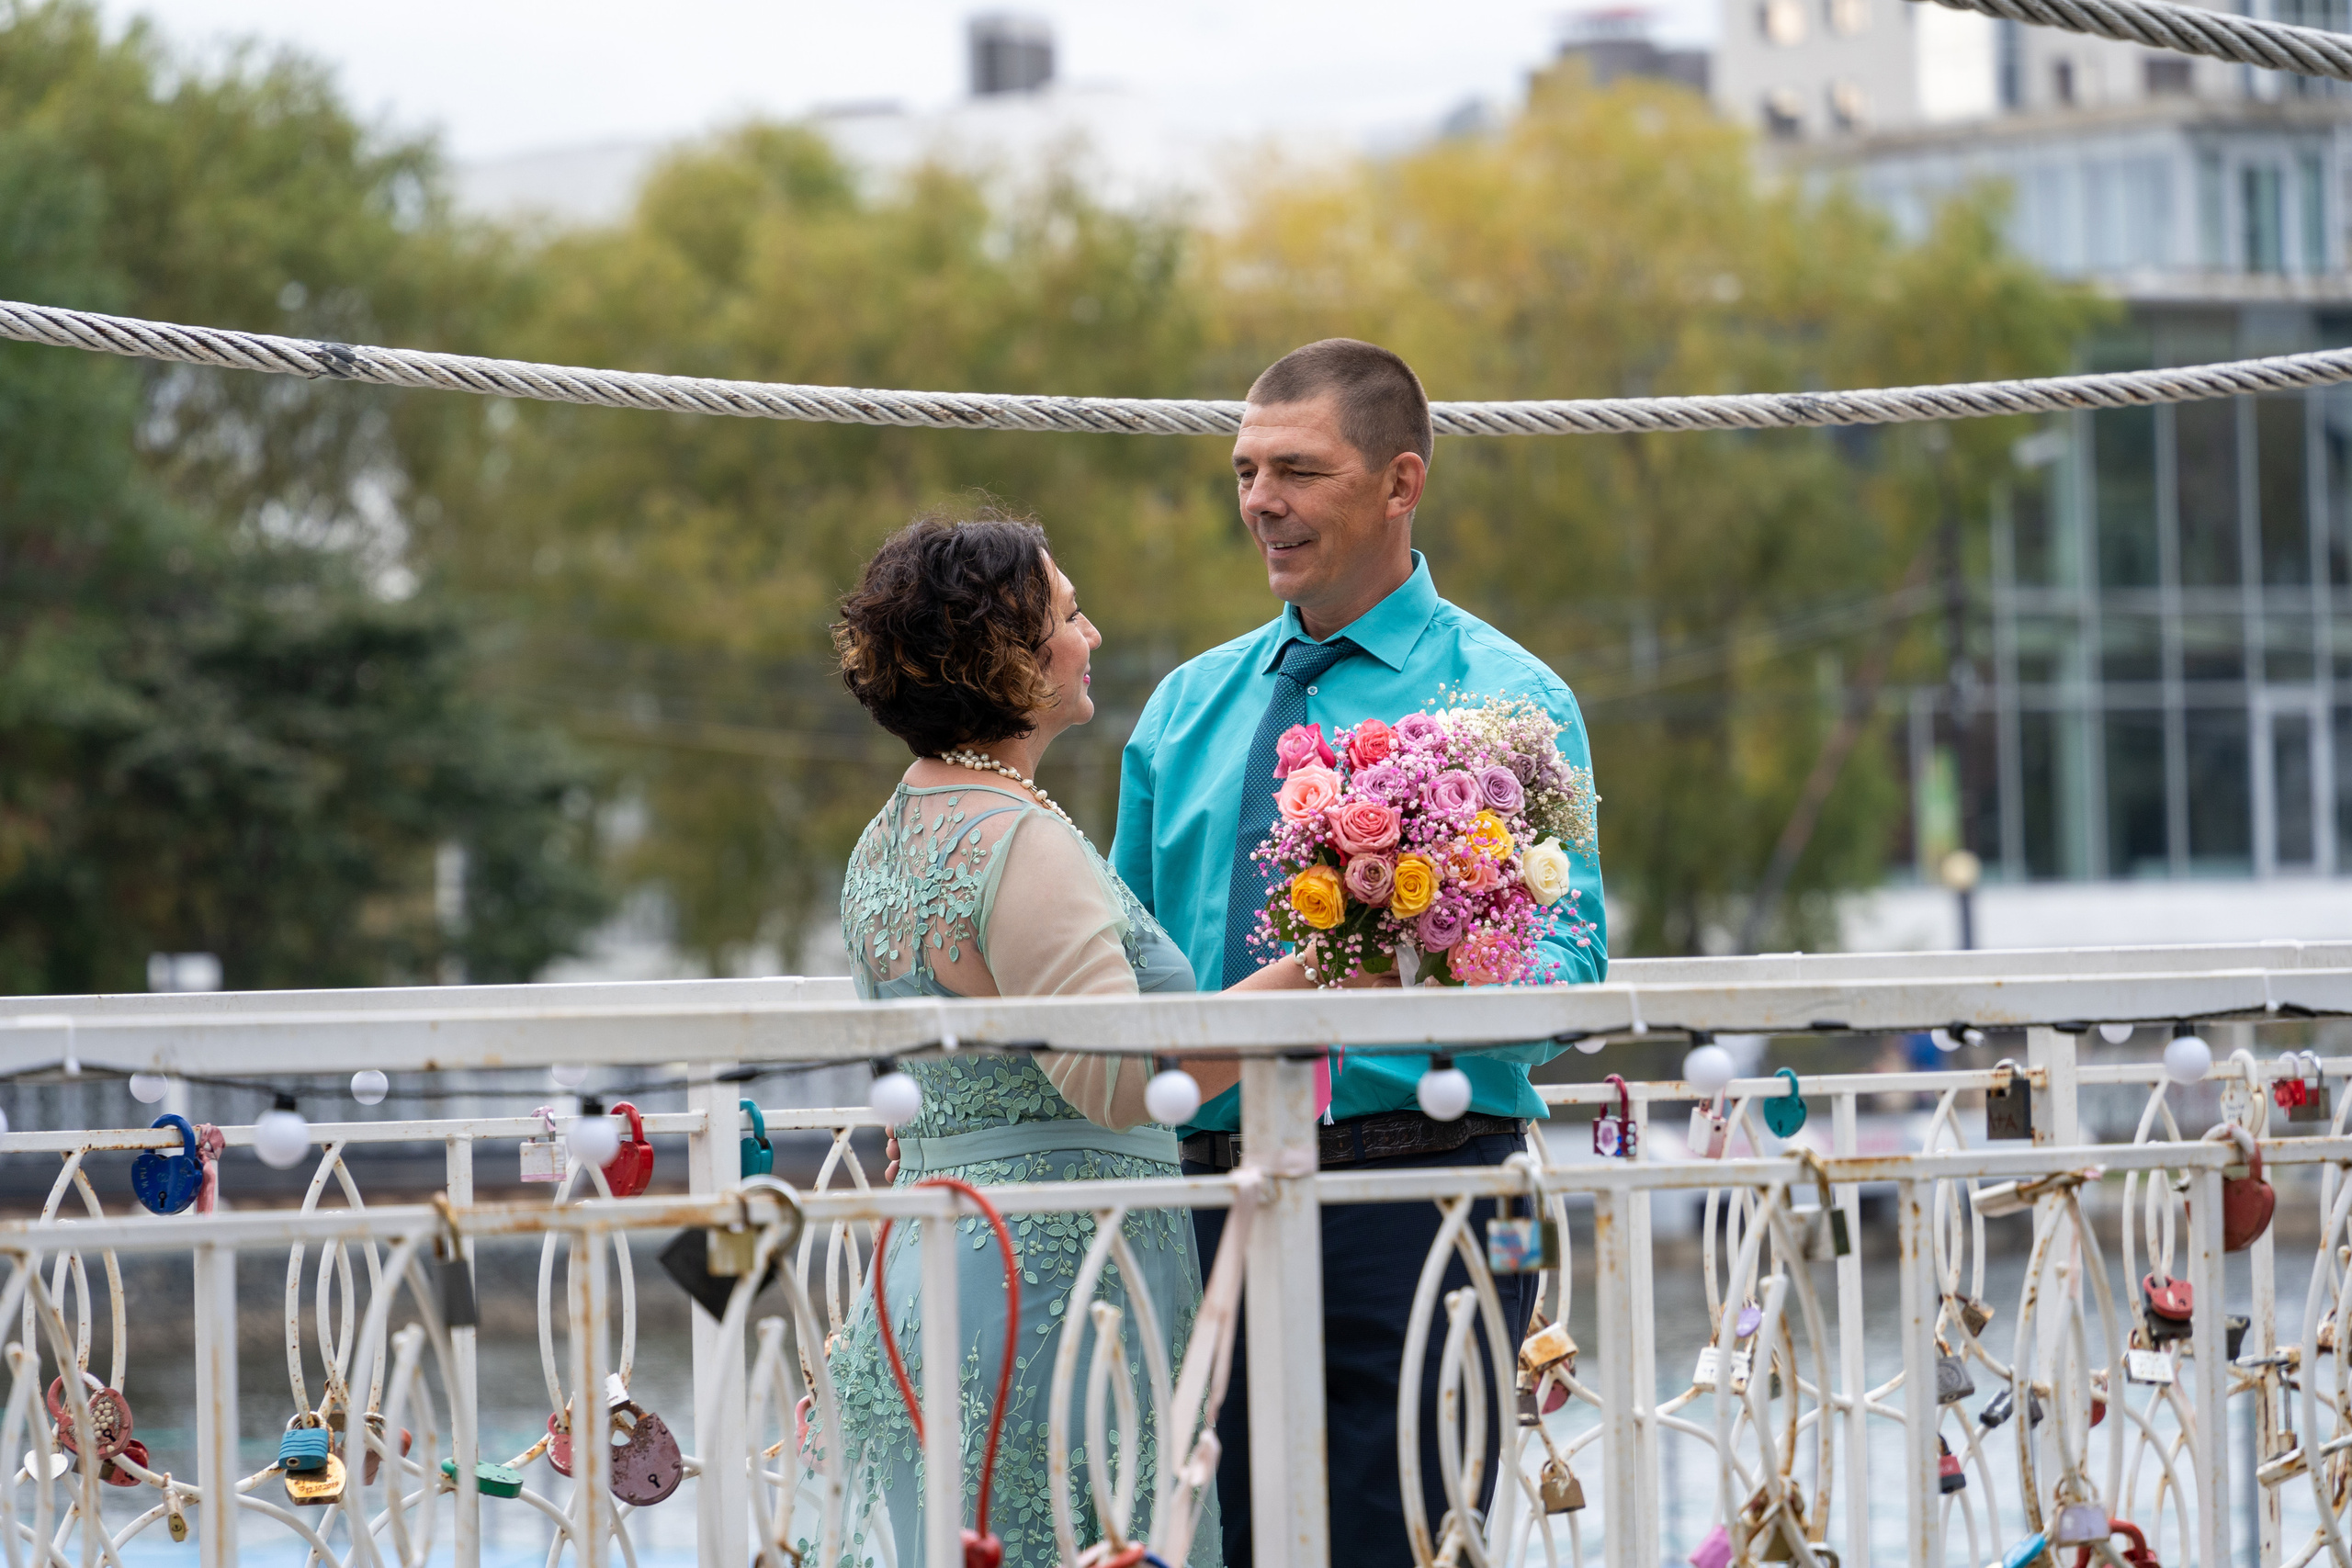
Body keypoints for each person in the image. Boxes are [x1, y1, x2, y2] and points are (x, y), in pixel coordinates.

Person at [1110, 339, 1608, 1566]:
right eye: (1244, 469)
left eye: (1298, 469)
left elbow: (1570, 971)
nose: (1261, 501)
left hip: (1420, 1194)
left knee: (1401, 1544)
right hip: (1200, 1201)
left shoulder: (1510, 700)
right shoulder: (1182, 709)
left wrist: (1409, 953)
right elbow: (1125, 976)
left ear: (1400, 483)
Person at [808, 512, 1320, 1568]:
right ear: (1010, 658)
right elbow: (1122, 1078)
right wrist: (1328, 968)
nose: (1092, 635)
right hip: (1053, 1285)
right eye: (1072, 615)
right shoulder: (1020, 838)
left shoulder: (892, 830)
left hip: (936, 1260)